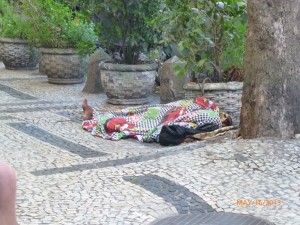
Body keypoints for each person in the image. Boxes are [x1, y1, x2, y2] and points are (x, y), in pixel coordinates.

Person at [82, 97, 233, 145]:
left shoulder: (211, 119)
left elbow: (184, 121)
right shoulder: (211, 111)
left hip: (166, 114)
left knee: (136, 117)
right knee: (137, 114)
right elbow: (187, 106)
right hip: (166, 111)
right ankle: (94, 114)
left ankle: (94, 115)